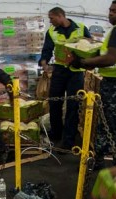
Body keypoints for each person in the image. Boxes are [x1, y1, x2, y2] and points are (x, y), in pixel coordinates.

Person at [68, 1, 116, 164]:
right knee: (104, 125)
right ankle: (97, 162)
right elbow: (103, 57)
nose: (111, 13)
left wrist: (84, 63)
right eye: (110, 10)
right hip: (113, 85)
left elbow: (110, 59)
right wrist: (84, 61)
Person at [39, 7, 91, 150]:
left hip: (76, 72)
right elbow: (47, 49)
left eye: (52, 18)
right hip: (59, 71)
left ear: (60, 16)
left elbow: (90, 47)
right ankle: (56, 134)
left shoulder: (81, 28)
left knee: (72, 106)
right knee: (54, 102)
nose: (50, 21)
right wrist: (44, 62)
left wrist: (82, 60)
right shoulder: (51, 32)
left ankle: (68, 140)